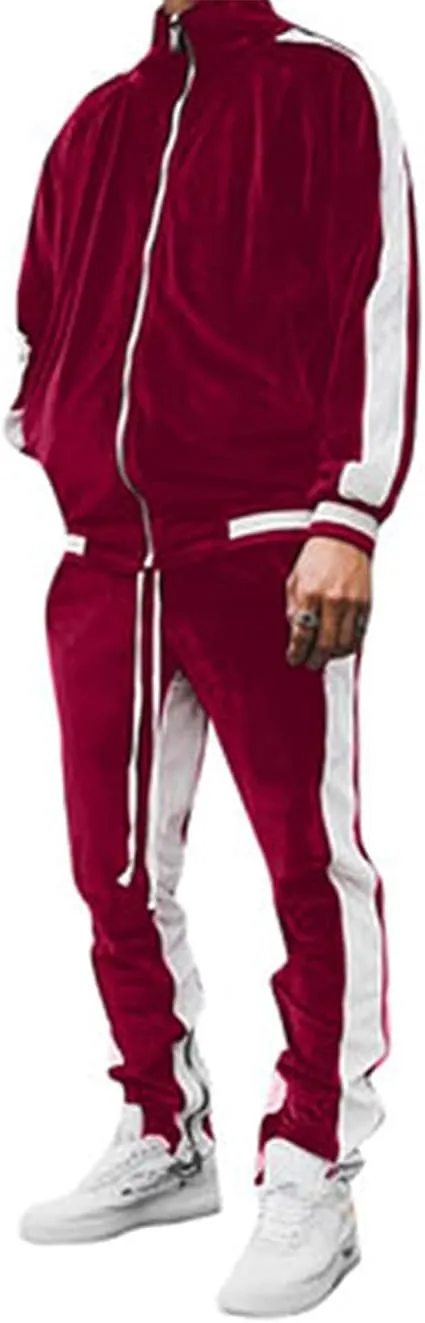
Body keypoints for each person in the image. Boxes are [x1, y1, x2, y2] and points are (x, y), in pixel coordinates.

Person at [5, 0, 418, 1313]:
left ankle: (314, 1160)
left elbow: (378, 297)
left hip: (265, 544)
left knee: (309, 859)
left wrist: (347, 516)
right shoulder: (95, 120)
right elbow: (40, 309)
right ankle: (162, 1127)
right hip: (103, 561)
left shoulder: (320, 85)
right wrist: (53, 424)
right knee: (113, 869)